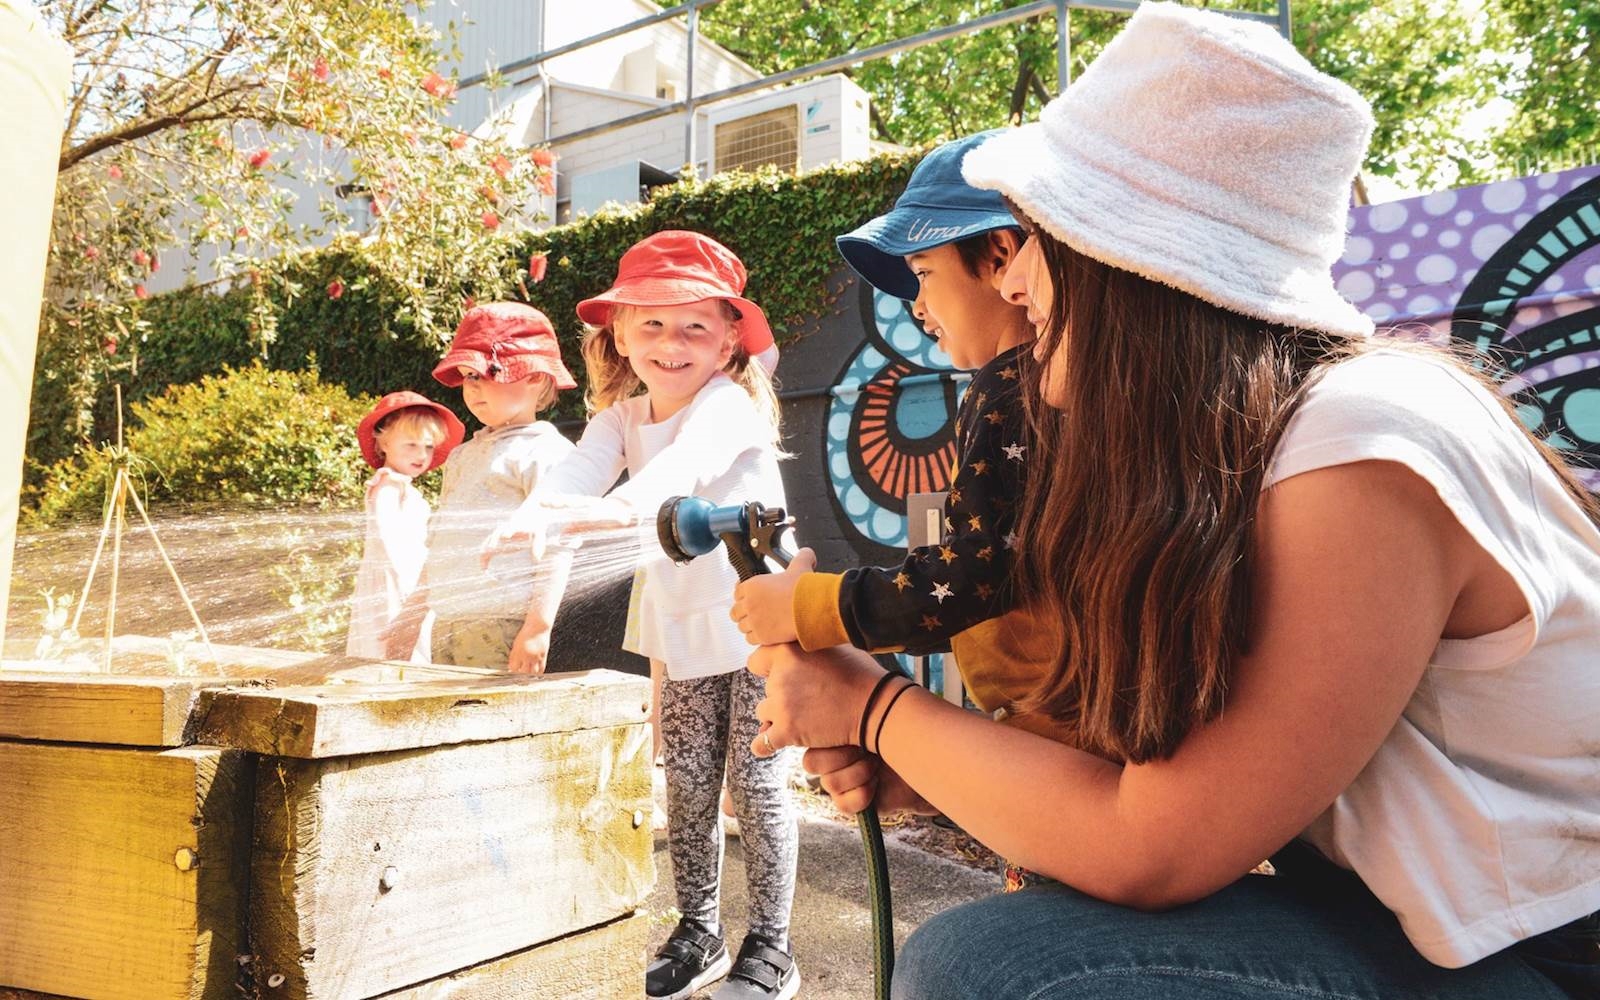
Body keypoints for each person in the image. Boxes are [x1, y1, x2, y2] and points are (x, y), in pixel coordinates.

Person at [732, 5, 1600, 999]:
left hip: (1538, 952)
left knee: (988, 965)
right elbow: (1158, 789)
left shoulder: (1365, 444)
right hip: (1399, 913)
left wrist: (870, 704)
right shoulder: (1254, 445)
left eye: (1035, 239)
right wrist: (935, 766)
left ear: (1133, 274)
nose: (1011, 277)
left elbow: (1152, 841)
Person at [490, 230, 801, 1000]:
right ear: (618, 335)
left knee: (756, 789)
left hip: (763, 629)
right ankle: (700, 930)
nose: (672, 342)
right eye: (651, 323)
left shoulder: (729, 407)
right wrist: (536, 514)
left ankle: (773, 946)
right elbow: (575, 472)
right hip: (685, 628)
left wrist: (613, 512)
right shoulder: (620, 418)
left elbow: (677, 473)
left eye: (695, 324)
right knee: (687, 784)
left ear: (730, 338)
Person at [733, 129, 1061, 739]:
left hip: (1053, 723)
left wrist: (810, 606)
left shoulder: (1009, 390)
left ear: (998, 256)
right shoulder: (1045, 385)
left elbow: (970, 576)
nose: (915, 306)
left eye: (923, 271)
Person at [388, 301, 578, 672]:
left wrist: (538, 627)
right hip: (448, 617)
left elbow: (558, 547)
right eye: (467, 377)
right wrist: (413, 612)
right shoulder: (462, 456)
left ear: (535, 377)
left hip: (502, 622)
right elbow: (442, 540)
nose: (473, 388)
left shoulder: (546, 452)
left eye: (486, 374)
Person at [345, 390, 463, 663]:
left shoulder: (405, 490)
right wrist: (416, 590)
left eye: (429, 447)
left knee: (411, 648)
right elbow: (391, 543)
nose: (422, 455)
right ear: (383, 443)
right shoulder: (387, 486)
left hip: (411, 581)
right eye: (411, 445)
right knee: (391, 649)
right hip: (395, 584)